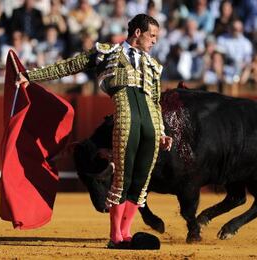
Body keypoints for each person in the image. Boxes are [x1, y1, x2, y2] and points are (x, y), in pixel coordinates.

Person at [16, 14, 173, 249]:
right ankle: (115, 237)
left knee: (141, 181)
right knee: (123, 177)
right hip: (126, 118)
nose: (154, 42)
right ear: (137, 33)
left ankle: (126, 233)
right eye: (152, 36)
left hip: (150, 123)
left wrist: (161, 132)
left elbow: (156, 101)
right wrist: (31, 76)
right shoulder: (106, 53)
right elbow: (68, 66)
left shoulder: (153, 65)